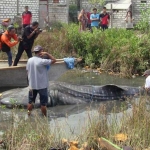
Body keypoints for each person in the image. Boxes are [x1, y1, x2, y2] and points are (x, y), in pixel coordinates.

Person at [26, 45, 56, 116]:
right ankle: (45, 118)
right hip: (42, 86)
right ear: (41, 52)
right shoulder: (42, 61)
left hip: (32, 85)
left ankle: (28, 115)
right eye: (42, 51)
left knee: (30, 102)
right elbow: (54, 60)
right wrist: (47, 54)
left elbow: (27, 71)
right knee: (43, 103)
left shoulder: (29, 60)